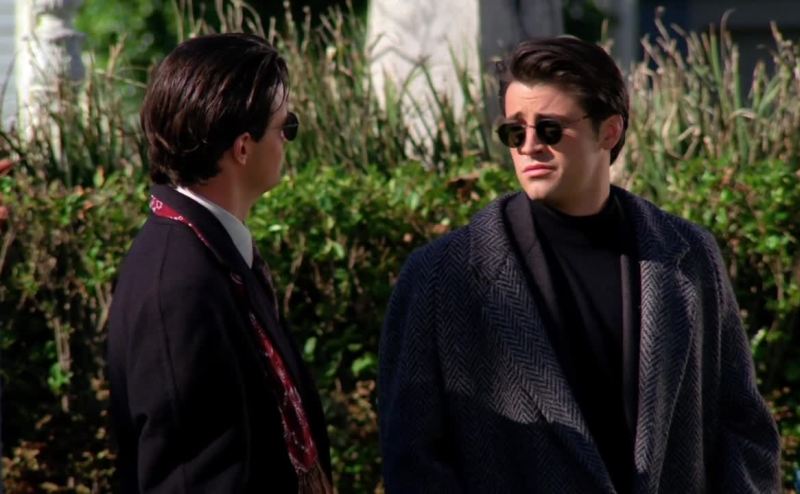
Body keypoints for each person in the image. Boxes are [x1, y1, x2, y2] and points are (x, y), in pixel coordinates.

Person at [378, 36, 780, 493]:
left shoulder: (688, 255)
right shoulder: (440, 275)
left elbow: (743, 425)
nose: (529, 146)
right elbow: (413, 457)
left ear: (609, 131)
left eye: (550, 129)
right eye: (514, 132)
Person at [108, 33, 332, 493]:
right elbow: (192, 475)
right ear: (243, 147)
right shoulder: (180, 284)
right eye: (286, 126)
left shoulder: (208, 251)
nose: (288, 141)